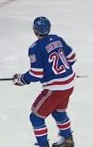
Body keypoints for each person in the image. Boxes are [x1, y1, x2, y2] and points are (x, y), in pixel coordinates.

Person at [12, 17, 76, 147]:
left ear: (35, 30)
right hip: (69, 84)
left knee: (36, 117)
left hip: (55, 89)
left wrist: (21, 79)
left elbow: (36, 73)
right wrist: (63, 71)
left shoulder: (35, 48)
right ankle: (68, 139)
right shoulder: (57, 38)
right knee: (59, 112)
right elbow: (72, 57)